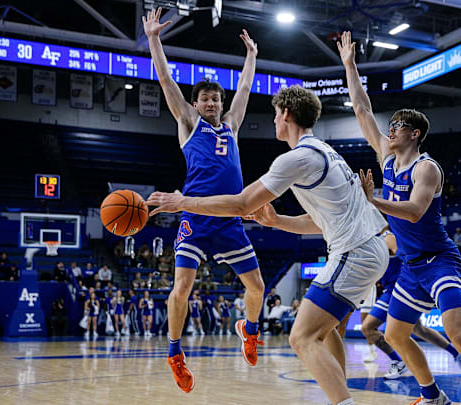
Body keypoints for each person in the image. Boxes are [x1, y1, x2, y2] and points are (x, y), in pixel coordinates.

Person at [146, 83, 389, 405]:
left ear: (286, 114)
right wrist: (277, 222)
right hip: (367, 250)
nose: (273, 120)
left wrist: (183, 202)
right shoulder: (326, 151)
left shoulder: (296, 158)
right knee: (326, 331)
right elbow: (318, 222)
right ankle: (340, 397)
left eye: (275, 114)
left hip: (354, 252)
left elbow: (242, 204)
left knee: (301, 337)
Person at [338, 31, 461, 405]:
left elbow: (414, 212)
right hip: (411, 266)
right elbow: (362, 108)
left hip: (439, 260)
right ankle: (433, 397)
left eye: (396, 126)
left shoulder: (427, 169)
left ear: (414, 134)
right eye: (389, 125)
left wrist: (373, 200)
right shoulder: (387, 157)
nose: (389, 129)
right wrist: (350, 65)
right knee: (393, 335)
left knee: (459, 335)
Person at [143, 8, 265, 393]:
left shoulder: (231, 127)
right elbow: (165, 80)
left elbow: (244, 90)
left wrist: (251, 57)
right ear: (196, 104)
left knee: (258, 288)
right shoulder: (188, 123)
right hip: (195, 216)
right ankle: (175, 353)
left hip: (229, 218)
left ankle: (249, 328)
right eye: (205, 99)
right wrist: (153, 39)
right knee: (181, 289)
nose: (210, 103)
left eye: (215, 99)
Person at [362, 232, 461, 380]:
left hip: (397, 289)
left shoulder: (387, 237)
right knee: (419, 329)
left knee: (368, 328)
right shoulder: (369, 242)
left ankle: (398, 361)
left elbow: (406, 256)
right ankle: (456, 354)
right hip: (396, 288)